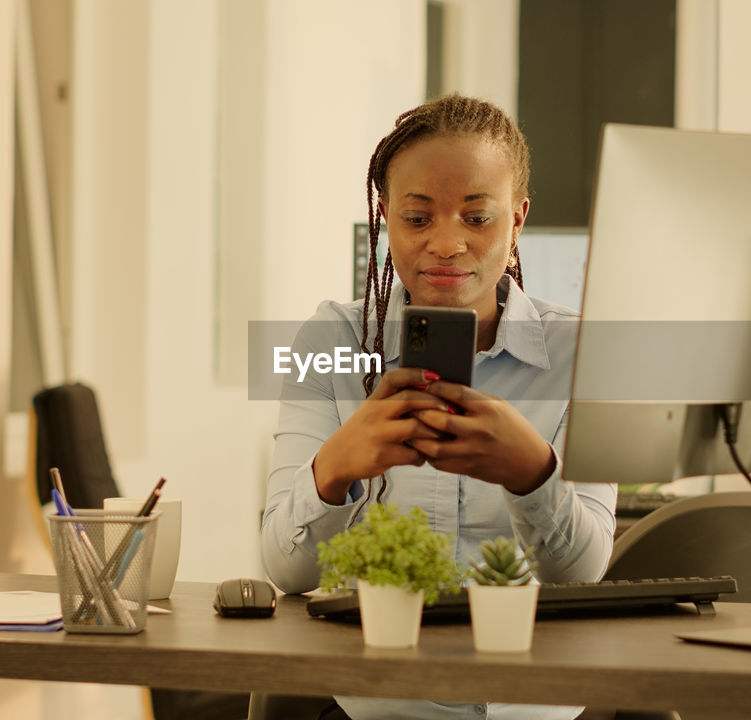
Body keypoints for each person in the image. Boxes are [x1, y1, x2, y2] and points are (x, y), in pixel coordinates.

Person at [261, 94, 617, 720]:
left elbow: (582, 575)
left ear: (517, 220)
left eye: (477, 218)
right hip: (377, 707)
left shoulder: (584, 354)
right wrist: (337, 466)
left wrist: (531, 471)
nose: (447, 244)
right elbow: (286, 571)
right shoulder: (332, 343)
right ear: (386, 218)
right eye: (418, 218)